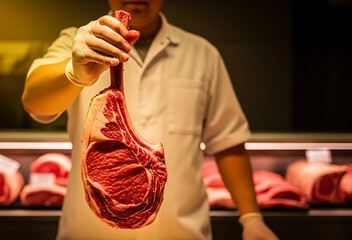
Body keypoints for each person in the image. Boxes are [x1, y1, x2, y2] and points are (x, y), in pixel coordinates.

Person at [22, 0, 279, 239]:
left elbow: (228, 140)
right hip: (89, 232)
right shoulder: (77, 40)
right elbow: (34, 102)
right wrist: (74, 72)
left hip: (181, 233)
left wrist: (251, 218)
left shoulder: (201, 54)